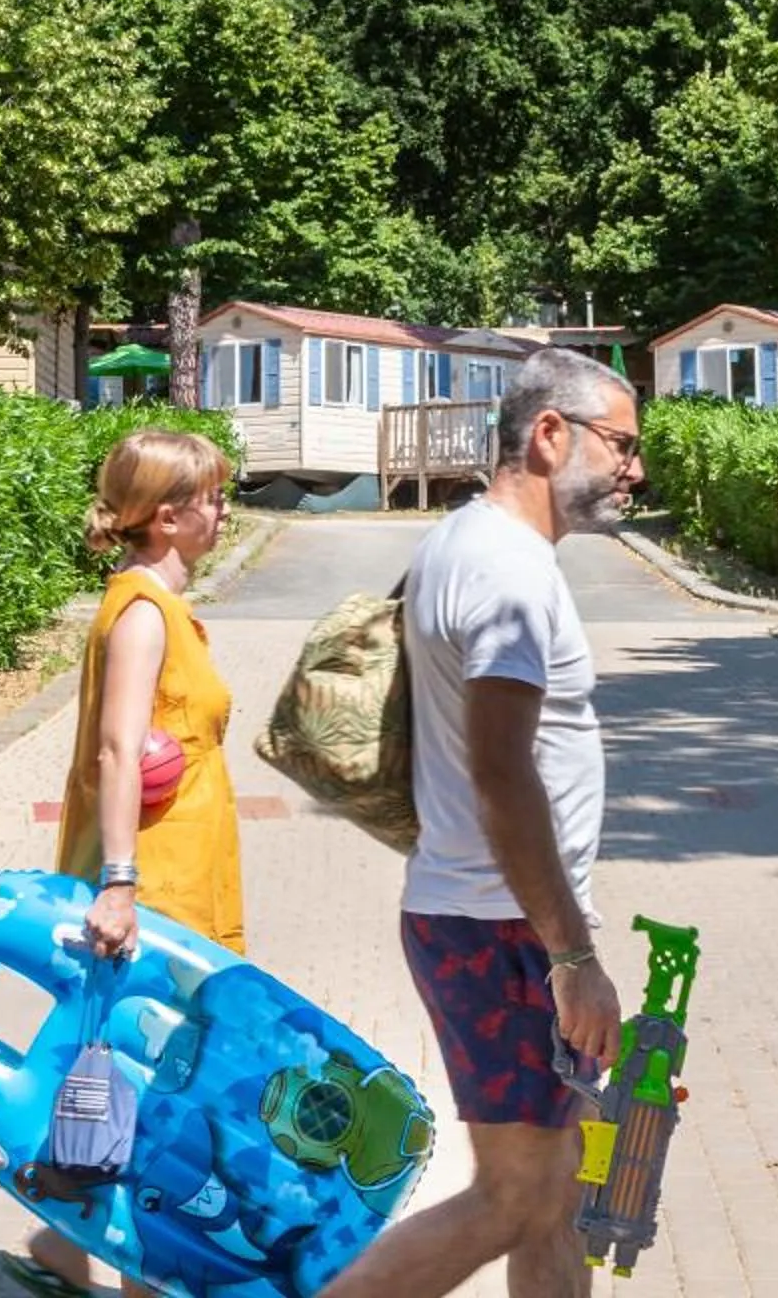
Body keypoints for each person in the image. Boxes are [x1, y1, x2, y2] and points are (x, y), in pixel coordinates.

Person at [319, 346, 644, 1298]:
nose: (635, 469)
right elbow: (502, 774)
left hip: (496, 916)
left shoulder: (463, 543)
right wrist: (572, 957)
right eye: (621, 444)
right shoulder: (507, 575)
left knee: (560, 1196)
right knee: (515, 1199)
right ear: (550, 435)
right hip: (498, 926)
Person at [6, 427, 241, 1298]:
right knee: (162, 1081)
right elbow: (115, 752)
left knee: (149, 1078)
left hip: (182, 872)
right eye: (211, 496)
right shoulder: (143, 613)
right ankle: (139, 1271)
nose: (224, 508)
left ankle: (69, 1240)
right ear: (170, 517)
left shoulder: (157, 605)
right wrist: (118, 883)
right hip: (157, 882)